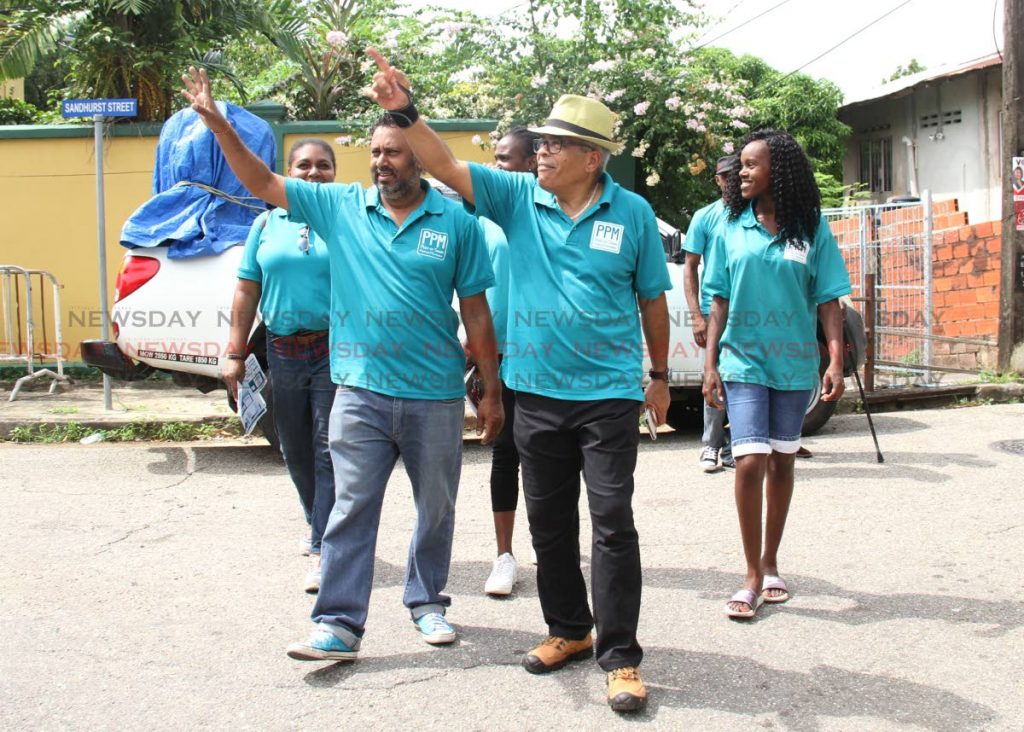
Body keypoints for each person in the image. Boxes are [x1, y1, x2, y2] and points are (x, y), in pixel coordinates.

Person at [367, 49, 672, 713]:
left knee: (612, 521)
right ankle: (569, 627)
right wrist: (404, 111)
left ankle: (619, 656)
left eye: (557, 145)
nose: (541, 152)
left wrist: (658, 373)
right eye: (541, 143)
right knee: (548, 524)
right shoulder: (514, 198)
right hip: (536, 390)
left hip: (610, 395)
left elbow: (652, 297)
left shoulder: (635, 216)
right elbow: (445, 164)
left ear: (594, 157)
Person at [181, 67, 503, 661]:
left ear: (419, 160)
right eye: (376, 151)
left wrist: (491, 389)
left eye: (395, 153)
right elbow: (261, 181)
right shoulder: (340, 208)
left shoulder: (457, 224)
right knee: (352, 505)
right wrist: (219, 126)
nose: (382, 162)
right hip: (358, 388)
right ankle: (337, 623)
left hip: (434, 392)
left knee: (436, 506)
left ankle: (427, 602)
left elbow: (477, 314)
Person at [702, 129, 851, 619]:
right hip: (743, 361)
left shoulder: (811, 228)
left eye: (751, 164)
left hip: (793, 366)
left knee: (782, 462)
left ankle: (770, 563)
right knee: (748, 461)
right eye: (741, 165)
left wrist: (834, 360)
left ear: (778, 171)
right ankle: (749, 574)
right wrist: (710, 365)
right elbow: (718, 299)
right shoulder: (729, 227)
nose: (741, 172)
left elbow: (829, 300)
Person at [223, 138, 337, 594]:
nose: (313, 173)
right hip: (281, 350)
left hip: (336, 347)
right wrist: (234, 352)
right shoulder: (267, 223)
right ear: (288, 172)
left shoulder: (345, 219)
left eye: (323, 166)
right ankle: (320, 524)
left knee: (331, 447)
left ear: (334, 172)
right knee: (294, 448)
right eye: (304, 166)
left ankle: (324, 546)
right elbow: (247, 290)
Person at [482, 127, 538, 597]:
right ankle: (504, 555)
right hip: (496, 355)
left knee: (552, 457)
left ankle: (554, 544)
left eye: (507, 159)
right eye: (496, 158)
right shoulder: (482, 219)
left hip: (543, 352)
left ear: (533, 163)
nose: (499, 166)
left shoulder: (543, 215)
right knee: (506, 454)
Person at [682, 154, 737, 473]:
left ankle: (740, 442)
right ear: (717, 180)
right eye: (725, 176)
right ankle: (712, 445)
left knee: (745, 377)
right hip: (713, 309)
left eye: (735, 174)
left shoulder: (757, 214)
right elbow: (690, 267)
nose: (731, 181)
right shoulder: (705, 216)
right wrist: (696, 316)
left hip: (750, 310)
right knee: (713, 374)